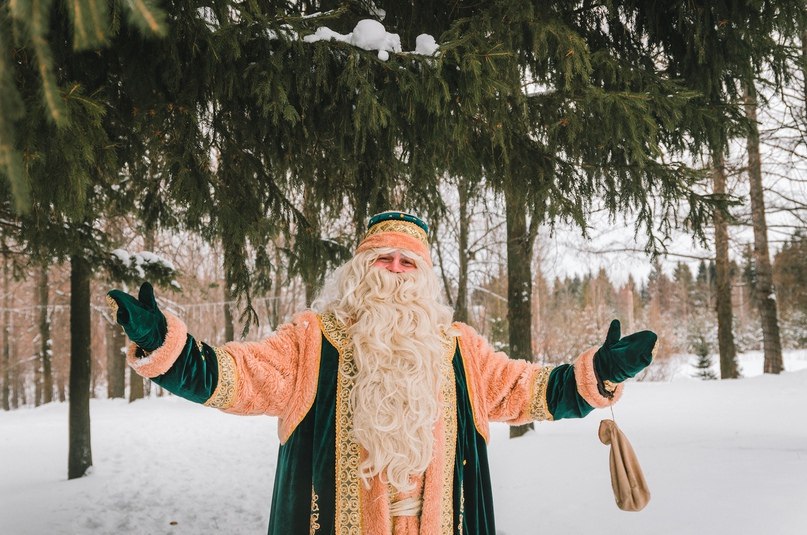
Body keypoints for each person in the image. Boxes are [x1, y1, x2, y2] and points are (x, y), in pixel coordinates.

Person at [107, 211, 656, 535]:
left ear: (423, 276)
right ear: (360, 270)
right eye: (383, 259)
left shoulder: (457, 348)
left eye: (407, 262)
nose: (395, 272)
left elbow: (529, 390)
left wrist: (601, 372)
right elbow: (236, 377)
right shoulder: (312, 341)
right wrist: (167, 346)